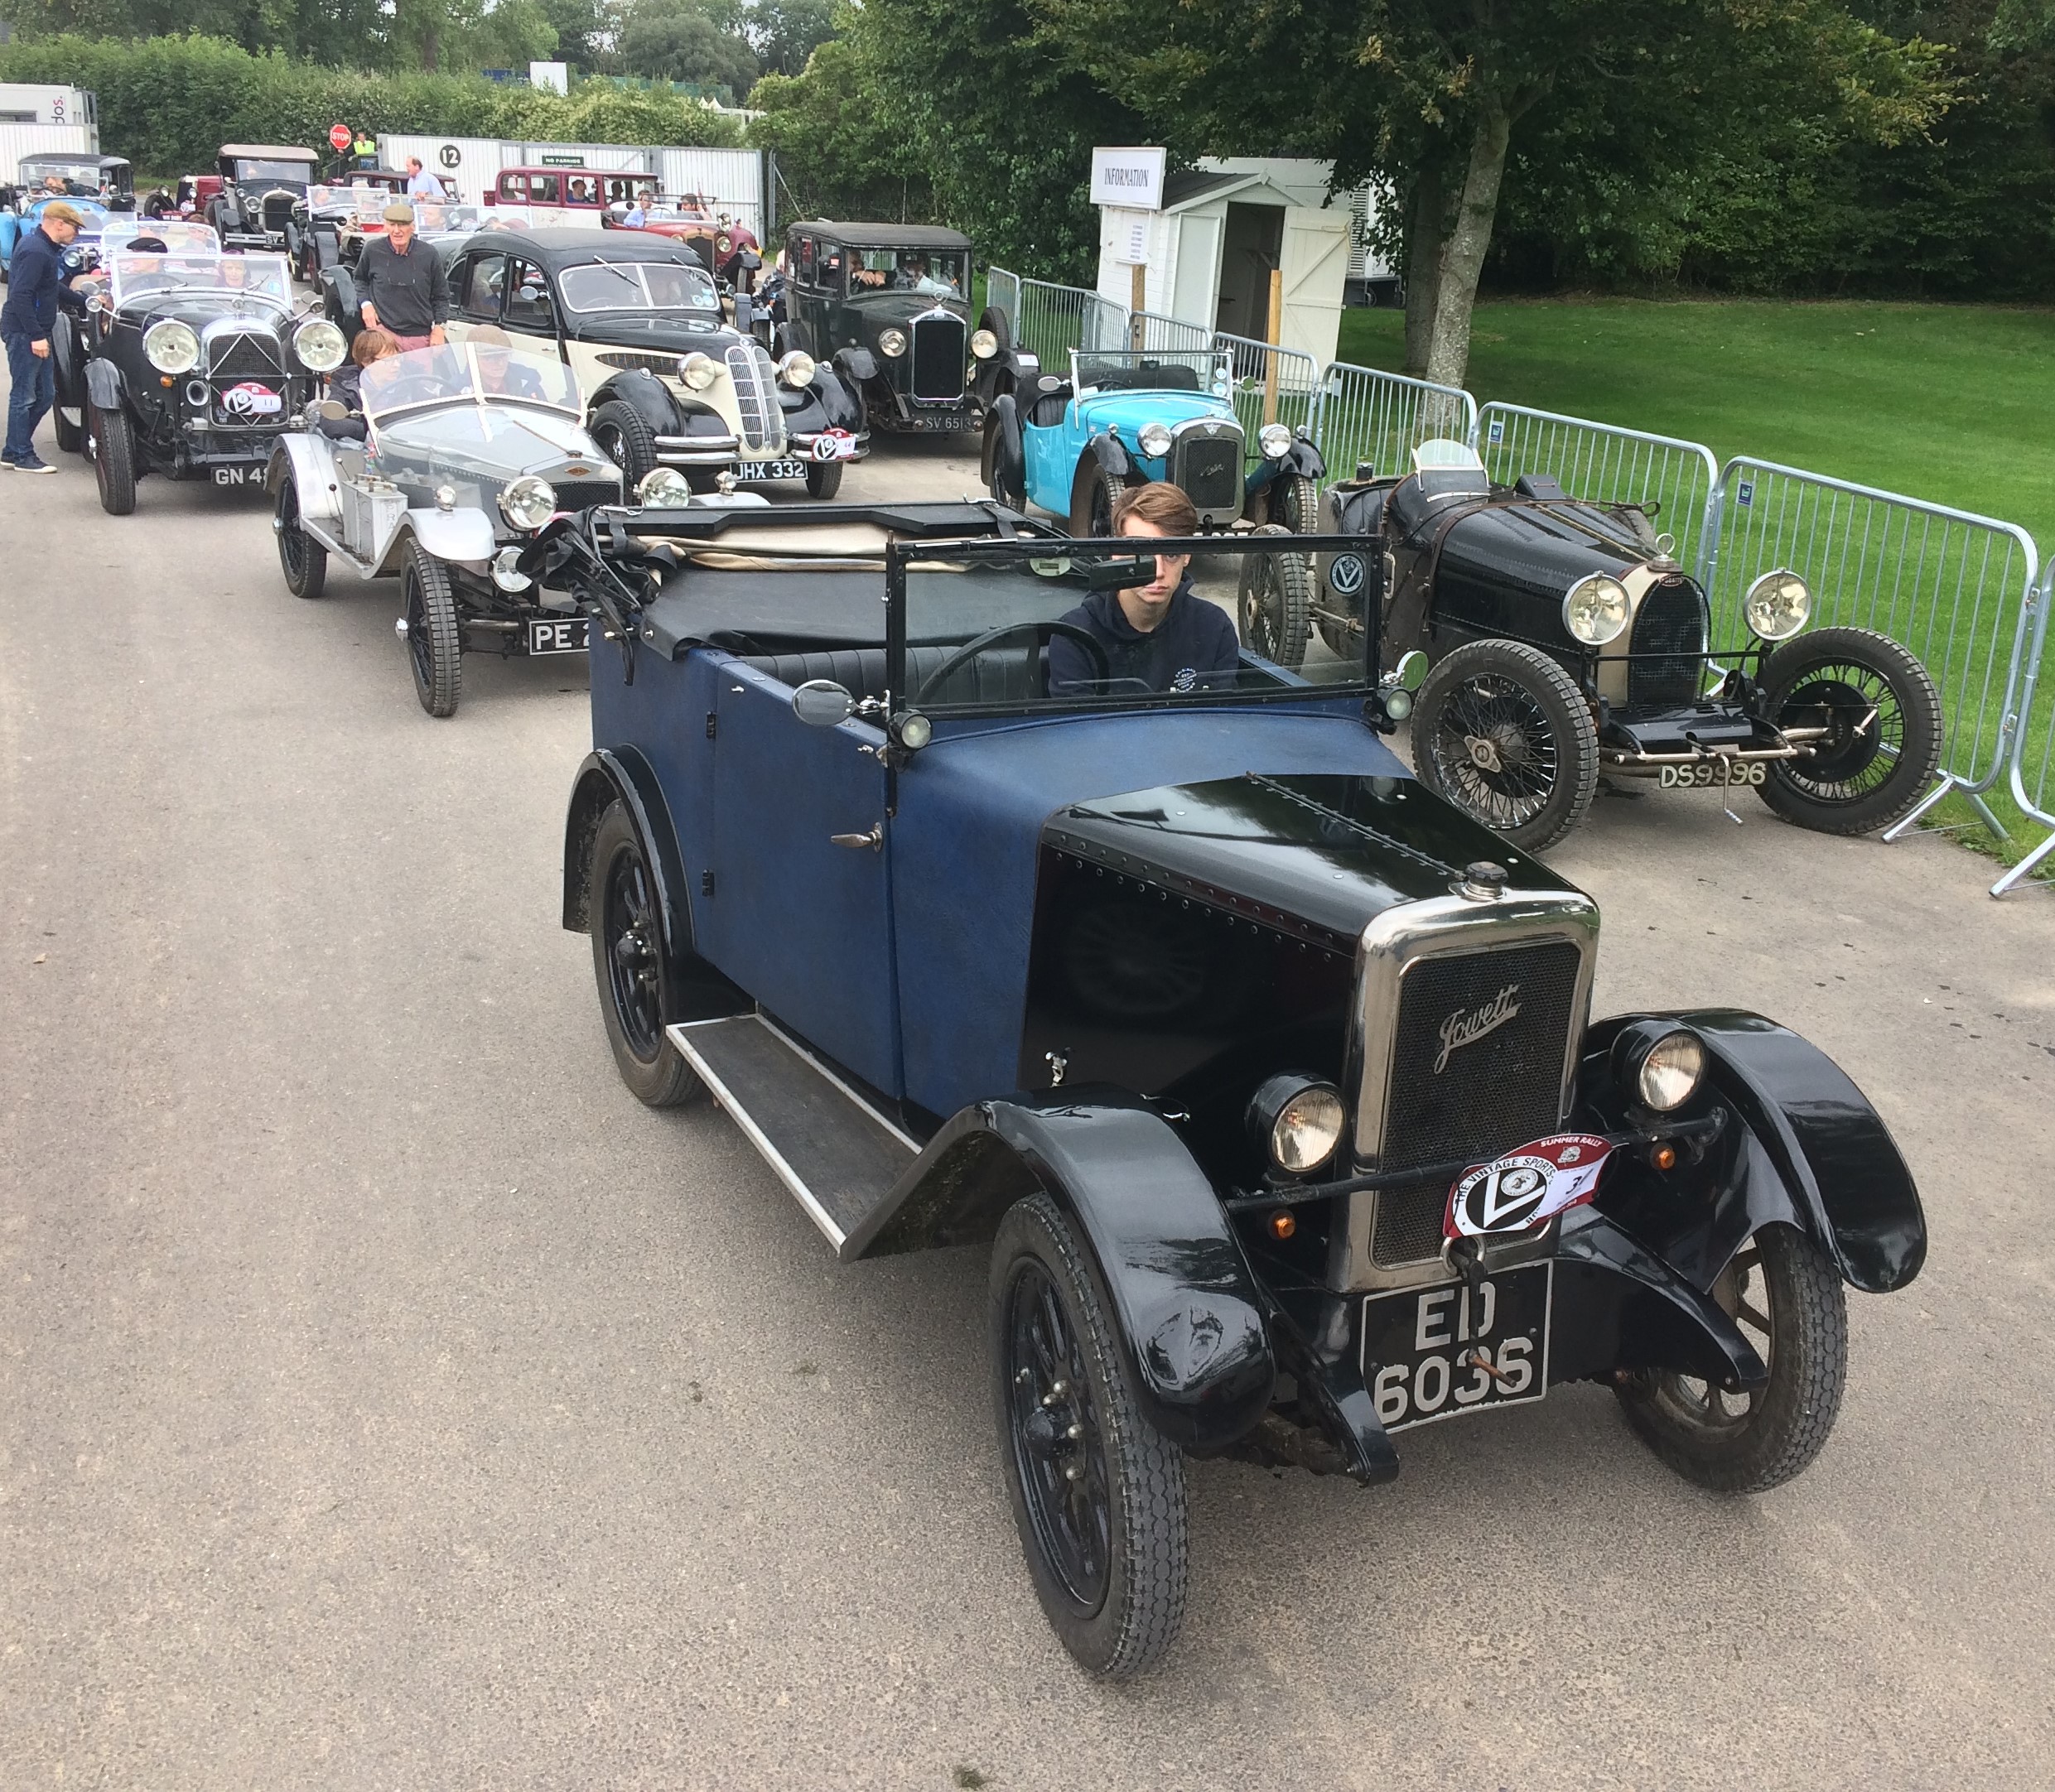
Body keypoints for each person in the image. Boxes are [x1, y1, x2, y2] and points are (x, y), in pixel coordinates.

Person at [1047, 483, 1240, 695]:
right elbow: (1079, 726)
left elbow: (1222, 720)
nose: (1158, 571)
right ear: (1117, 552)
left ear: (1187, 556)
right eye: (1142, 554)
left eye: (1171, 554)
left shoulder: (1214, 628)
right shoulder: (1074, 637)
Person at [2, 200, 84, 474]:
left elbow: (52, 289)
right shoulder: (37, 251)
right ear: (59, 223)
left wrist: (86, 301)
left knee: (45, 395)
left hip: (35, 330)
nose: (76, 234)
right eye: (74, 228)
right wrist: (36, 335)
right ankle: (22, 454)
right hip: (26, 333)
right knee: (25, 396)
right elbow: (21, 295)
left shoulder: (43, 248)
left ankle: (14, 450)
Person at [355, 202, 449, 353]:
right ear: (386, 226)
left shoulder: (429, 254)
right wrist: (366, 304)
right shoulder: (372, 250)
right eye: (392, 225)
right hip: (383, 334)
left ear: (413, 227)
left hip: (419, 337)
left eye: (402, 225)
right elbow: (360, 280)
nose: (397, 231)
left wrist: (439, 328)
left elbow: (441, 296)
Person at [317, 327, 398, 439]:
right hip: (370, 448)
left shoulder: (411, 379)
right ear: (366, 362)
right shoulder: (346, 384)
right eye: (388, 361)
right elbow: (331, 421)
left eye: (398, 358)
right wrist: (371, 431)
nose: (397, 365)